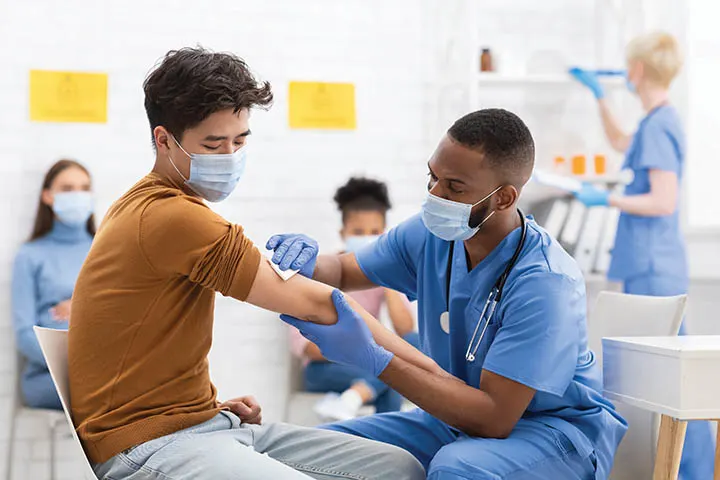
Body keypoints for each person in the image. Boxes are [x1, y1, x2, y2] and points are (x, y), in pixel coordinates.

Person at [67, 47, 432, 480]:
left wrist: (203, 406)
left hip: (202, 425)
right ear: (164, 139)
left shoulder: (153, 206)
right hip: (146, 445)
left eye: (239, 141)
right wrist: (437, 382)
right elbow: (317, 303)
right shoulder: (170, 216)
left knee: (397, 466)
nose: (229, 156)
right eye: (212, 144)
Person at [269, 108, 628, 480]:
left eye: (454, 187)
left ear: (504, 198)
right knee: (316, 450)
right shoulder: (430, 236)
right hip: (456, 421)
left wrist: (377, 361)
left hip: (551, 433)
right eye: (432, 177)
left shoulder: (546, 283)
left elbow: (494, 419)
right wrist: (308, 262)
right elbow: (343, 270)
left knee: (456, 469)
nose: (434, 195)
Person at [569, 31, 715, 480]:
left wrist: (606, 200)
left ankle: (692, 471)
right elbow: (620, 142)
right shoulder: (655, 122)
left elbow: (663, 200)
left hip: (654, 265)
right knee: (664, 378)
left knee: (673, 380)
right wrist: (599, 98)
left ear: (635, 70)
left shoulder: (662, 124)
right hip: (648, 263)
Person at [290, 177, 420, 420]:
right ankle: (384, 443)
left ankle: (352, 399)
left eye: (375, 233)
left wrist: (385, 277)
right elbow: (305, 347)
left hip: (365, 362)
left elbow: (406, 332)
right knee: (392, 373)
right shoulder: (319, 271)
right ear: (343, 233)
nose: (367, 238)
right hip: (324, 369)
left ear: (385, 235)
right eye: (358, 232)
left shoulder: (381, 274)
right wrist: (360, 350)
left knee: (415, 344)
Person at [12, 159, 95, 410]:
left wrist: (81, 306)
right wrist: (75, 364)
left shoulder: (105, 249)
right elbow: (24, 334)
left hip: (103, 370)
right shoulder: (30, 255)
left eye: (84, 188)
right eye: (68, 189)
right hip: (48, 377)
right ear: (48, 196)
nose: (78, 195)